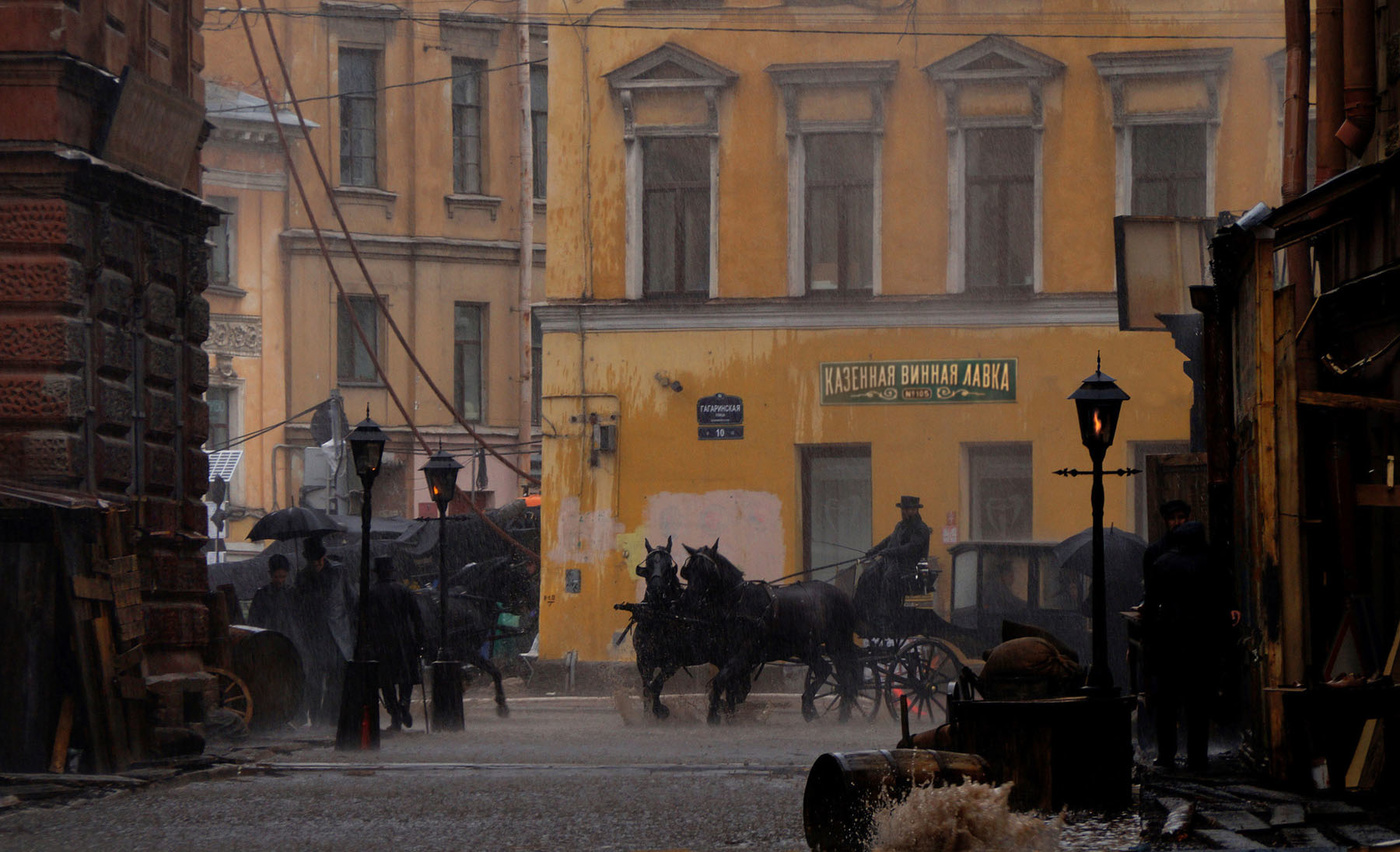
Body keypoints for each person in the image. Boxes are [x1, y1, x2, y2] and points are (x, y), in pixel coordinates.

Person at [1140, 516, 1237, 771]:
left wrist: (1148, 640)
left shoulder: (1162, 564)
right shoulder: (1214, 563)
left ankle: (1166, 755)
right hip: (1203, 644)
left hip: (1169, 643)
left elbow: (1150, 606)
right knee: (1198, 704)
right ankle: (1197, 757)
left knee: (1167, 703)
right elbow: (1224, 599)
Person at [297, 535, 356, 726]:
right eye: (313, 562)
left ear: (323, 558)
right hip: (314, 635)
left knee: (336, 679)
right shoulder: (303, 576)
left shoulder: (339, 572)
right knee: (314, 679)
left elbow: (351, 600)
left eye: (319, 561)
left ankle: (332, 717)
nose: (317, 565)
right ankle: (315, 718)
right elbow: (299, 607)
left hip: (337, 634)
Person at [366, 556, 425, 731]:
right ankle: (404, 703)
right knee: (405, 677)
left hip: (382, 643)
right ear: (392, 572)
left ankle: (395, 718)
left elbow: (365, 621)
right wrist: (420, 640)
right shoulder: (404, 591)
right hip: (405, 641)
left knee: (387, 681)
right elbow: (417, 618)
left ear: (376, 574)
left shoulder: (372, 593)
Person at [247, 554, 302, 646]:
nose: (280, 580)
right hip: (267, 640)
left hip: (288, 640)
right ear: (270, 574)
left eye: (283, 577)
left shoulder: (292, 594)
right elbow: (253, 620)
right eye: (277, 577)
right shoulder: (262, 595)